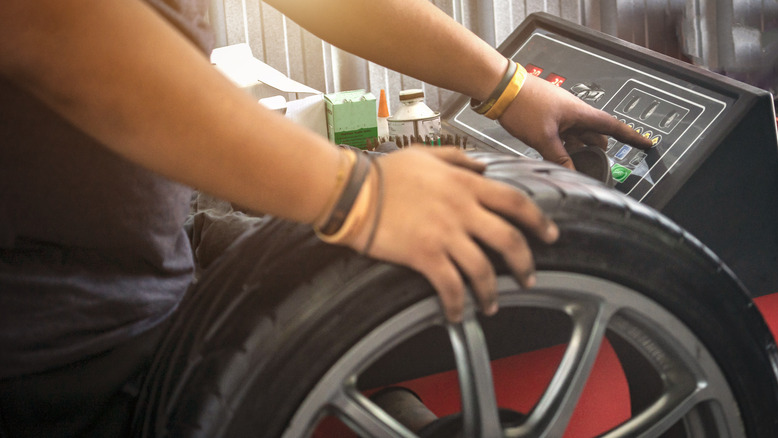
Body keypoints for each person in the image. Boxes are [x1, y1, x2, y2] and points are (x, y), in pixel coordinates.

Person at [0, 0, 651, 436]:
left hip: (136, 260)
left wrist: (505, 84)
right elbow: (55, 27)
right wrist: (358, 197)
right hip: (52, 350)